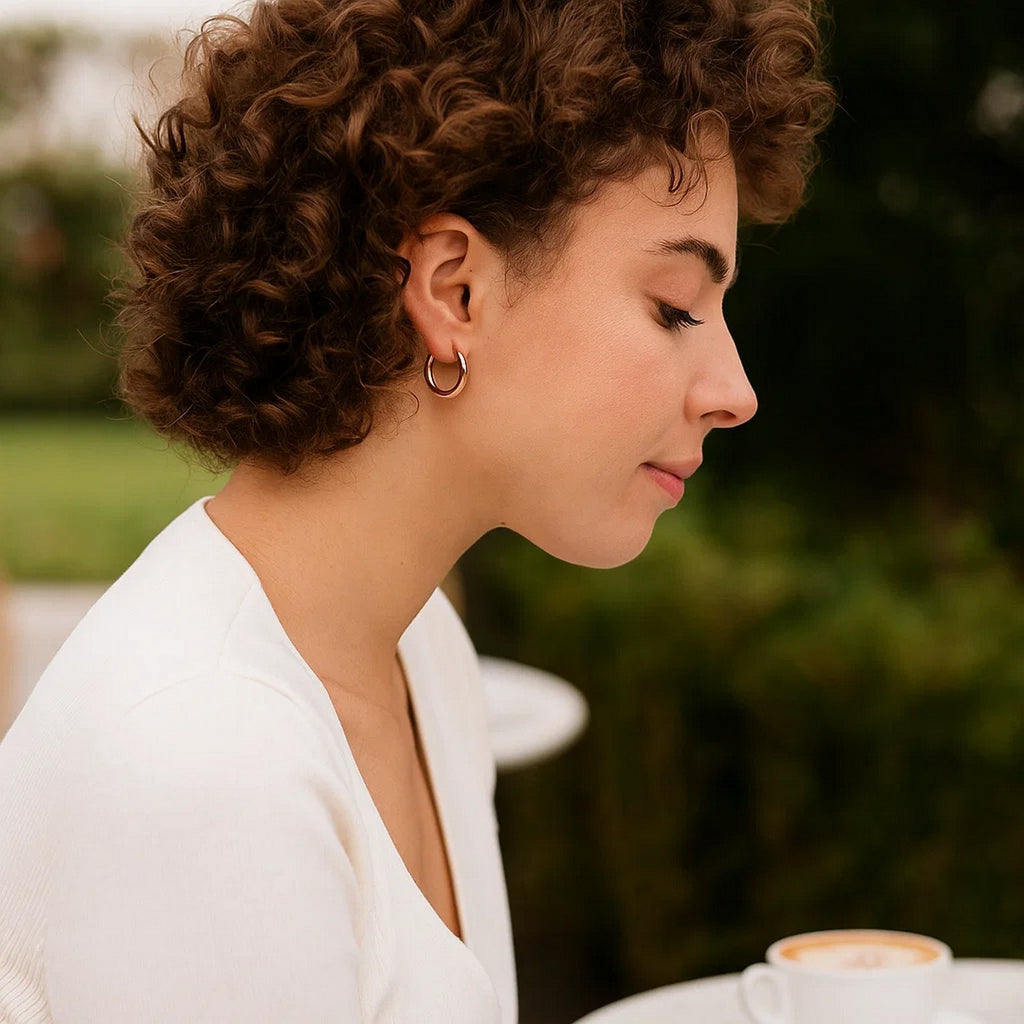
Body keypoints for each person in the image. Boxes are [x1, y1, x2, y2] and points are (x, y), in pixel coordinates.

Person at [0, 0, 835, 1020]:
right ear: (453, 289)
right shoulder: (205, 758)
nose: (733, 388)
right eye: (673, 307)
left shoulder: (419, 651)